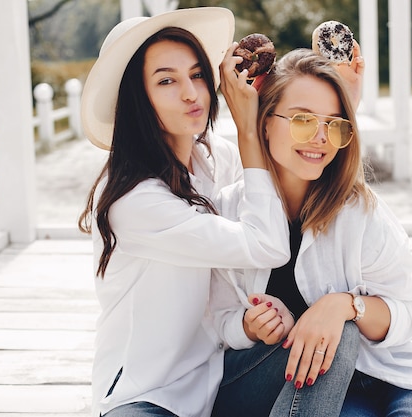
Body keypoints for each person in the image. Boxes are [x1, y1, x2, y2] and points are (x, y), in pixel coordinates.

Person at [209, 48, 412, 417]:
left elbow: (406, 313)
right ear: (264, 122)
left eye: (335, 124)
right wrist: (247, 326)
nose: (320, 138)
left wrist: (345, 305)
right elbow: (213, 322)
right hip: (300, 383)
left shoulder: (361, 210)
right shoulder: (228, 211)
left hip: (394, 371)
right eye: (302, 120)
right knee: (341, 341)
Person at [77, 8, 290, 417]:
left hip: (218, 376)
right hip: (149, 395)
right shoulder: (133, 201)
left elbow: (289, 175)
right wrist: (247, 129)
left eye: (196, 75)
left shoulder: (214, 159)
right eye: (167, 81)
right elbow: (267, 245)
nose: (192, 93)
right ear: (137, 99)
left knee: (322, 340)